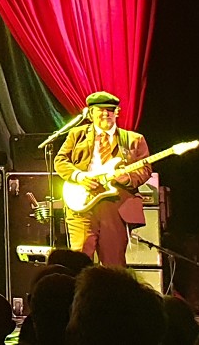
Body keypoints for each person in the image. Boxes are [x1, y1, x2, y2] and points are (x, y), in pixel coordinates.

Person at [54, 91, 151, 266]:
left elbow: (145, 169)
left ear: (117, 112)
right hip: (82, 204)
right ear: (90, 113)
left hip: (115, 206)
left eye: (110, 110)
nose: (106, 114)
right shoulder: (77, 134)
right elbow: (60, 161)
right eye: (100, 110)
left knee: (113, 263)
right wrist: (79, 176)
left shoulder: (133, 139)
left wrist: (127, 178)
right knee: (79, 261)